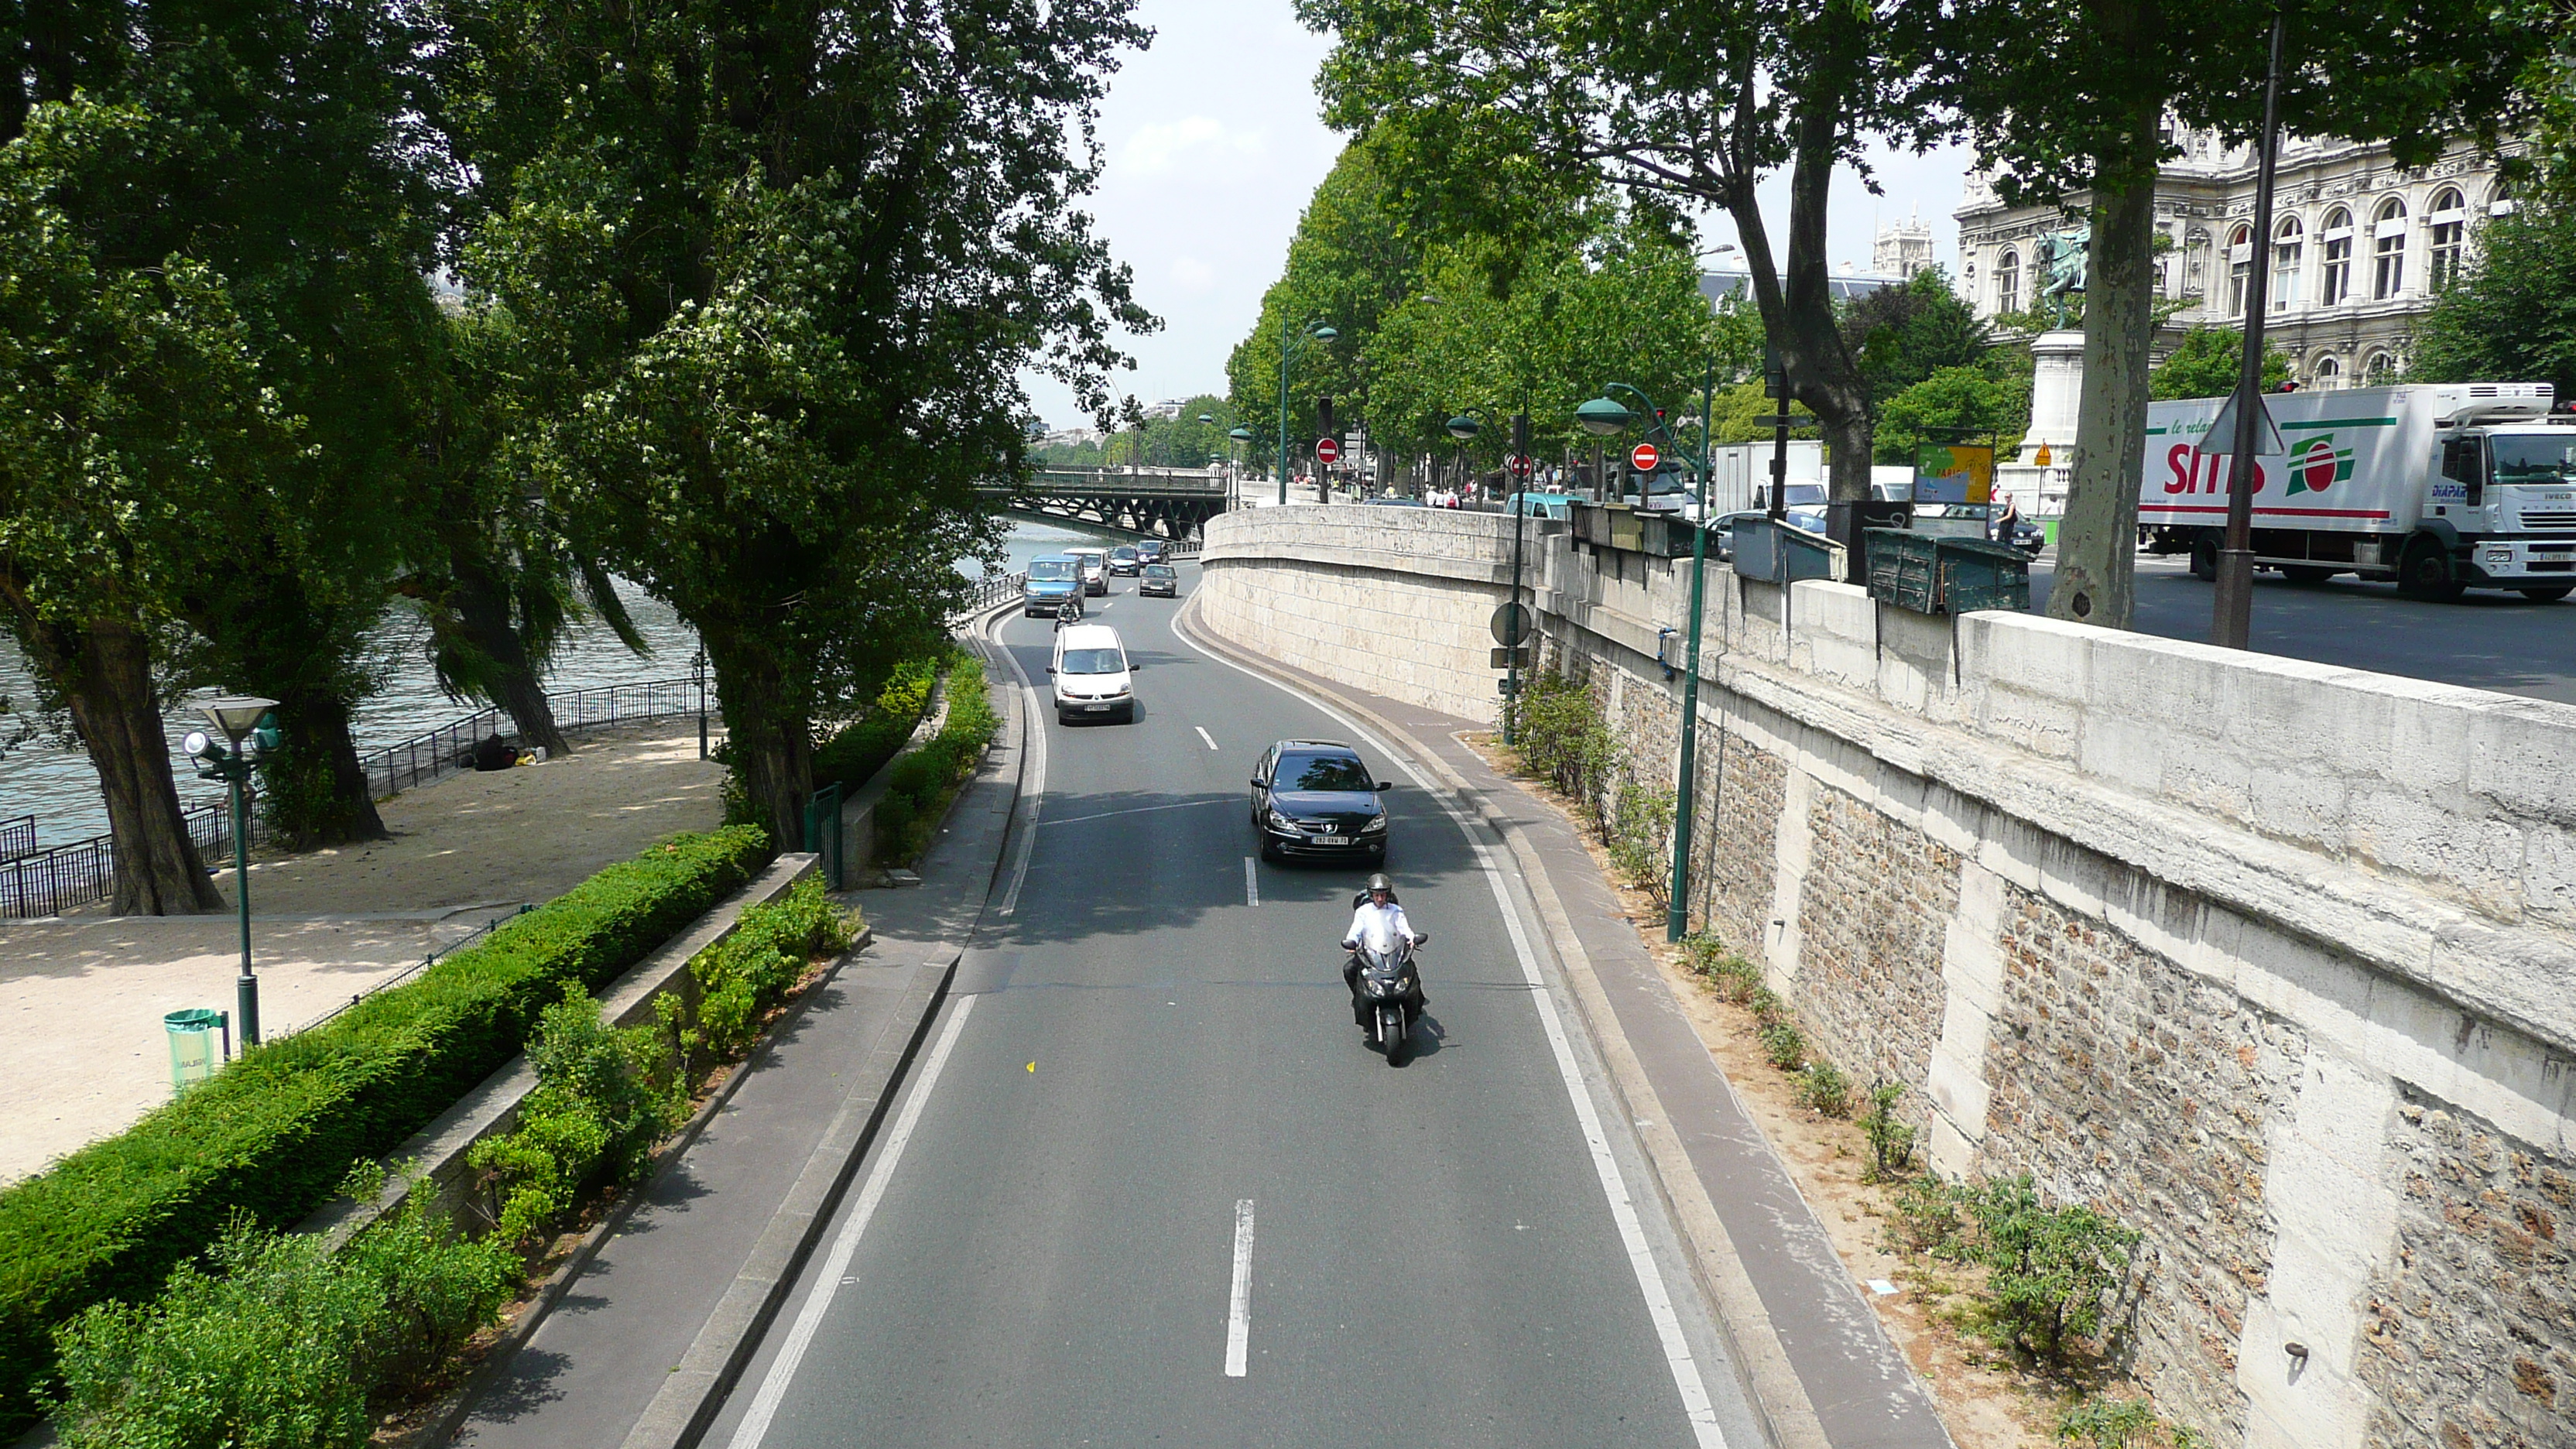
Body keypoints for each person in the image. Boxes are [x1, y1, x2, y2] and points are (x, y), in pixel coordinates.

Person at [1341, 873, 1427, 1022]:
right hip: (1370, 952)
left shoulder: (1395, 910)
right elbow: (1356, 930)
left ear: (1387, 894)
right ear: (1371, 894)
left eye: (1383, 895)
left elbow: (1404, 928)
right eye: (1376, 895)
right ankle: (1359, 997)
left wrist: (1412, 939)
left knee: (1411, 972)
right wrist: (1352, 943)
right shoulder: (1363, 912)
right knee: (1349, 970)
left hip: (1394, 951)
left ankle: (1417, 1004)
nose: (1380, 899)